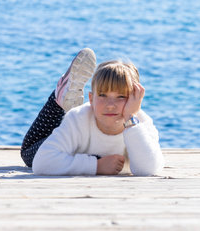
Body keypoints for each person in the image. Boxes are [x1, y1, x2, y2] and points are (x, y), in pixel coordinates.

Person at [20, 48, 164, 176]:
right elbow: (41, 162)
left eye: (121, 96)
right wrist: (96, 165)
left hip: (72, 147)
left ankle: (61, 100)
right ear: (91, 99)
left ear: (135, 100)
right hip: (72, 138)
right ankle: (58, 100)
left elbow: (150, 169)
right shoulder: (78, 118)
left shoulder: (142, 123)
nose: (110, 105)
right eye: (102, 95)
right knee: (28, 154)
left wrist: (131, 118)